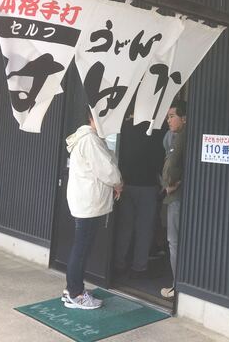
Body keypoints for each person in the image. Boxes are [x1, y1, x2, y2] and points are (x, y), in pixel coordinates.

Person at [63, 110, 123, 309]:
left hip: (85, 201)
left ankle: (71, 290)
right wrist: (118, 183)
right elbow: (107, 169)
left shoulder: (88, 137)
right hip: (89, 203)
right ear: (91, 118)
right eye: (101, 116)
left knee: (81, 247)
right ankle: (76, 293)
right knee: (82, 249)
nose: (105, 121)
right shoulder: (90, 139)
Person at [115, 113, 164, 277]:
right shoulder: (156, 129)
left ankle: (119, 262)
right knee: (145, 228)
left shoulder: (126, 127)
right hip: (148, 185)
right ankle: (139, 266)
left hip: (126, 183)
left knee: (125, 226)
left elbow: (119, 154)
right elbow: (159, 159)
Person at [160, 100, 187, 300]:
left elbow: (171, 166)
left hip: (176, 196)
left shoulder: (181, 137)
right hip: (178, 195)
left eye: (172, 116)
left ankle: (176, 285)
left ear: (184, 118)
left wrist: (168, 184)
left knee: (174, 241)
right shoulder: (173, 136)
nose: (168, 120)